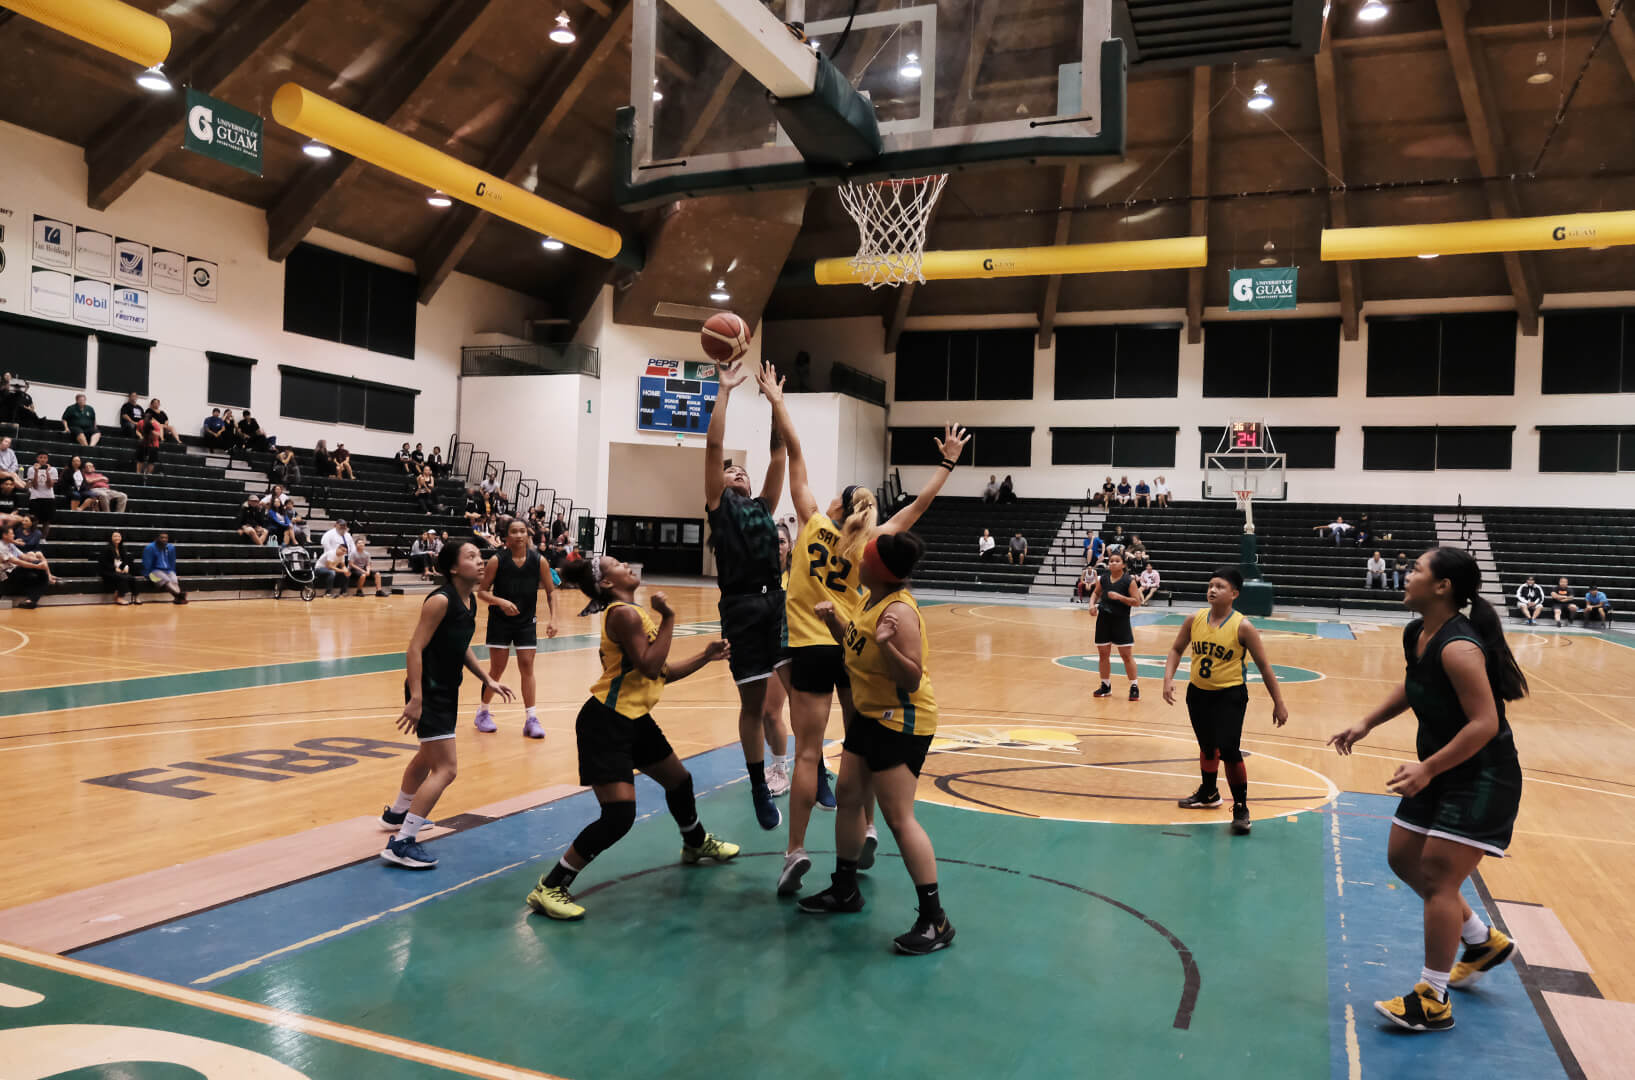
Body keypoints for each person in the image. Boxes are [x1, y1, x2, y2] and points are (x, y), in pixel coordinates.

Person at [761, 362, 965, 896]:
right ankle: (869, 827)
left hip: (808, 645)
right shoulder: (873, 542)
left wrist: (777, 401)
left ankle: (795, 850)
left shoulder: (812, 521)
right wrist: (947, 462)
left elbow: (796, 454)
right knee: (860, 744)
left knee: (809, 753)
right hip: (852, 648)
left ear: (835, 505)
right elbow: (921, 505)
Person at [1328, 547, 1527, 1033]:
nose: (1406, 574)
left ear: (1442, 587)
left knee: (1439, 876)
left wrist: (1428, 768)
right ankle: (1481, 941)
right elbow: (1413, 684)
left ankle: (1431, 998)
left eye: (1415, 569)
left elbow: (1485, 723)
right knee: (1403, 857)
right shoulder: (1417, 632)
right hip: (1440, 772)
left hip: (1481, 775)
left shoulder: (1460, 648)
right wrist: (1367, 722)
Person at [524, 554, 736, 918]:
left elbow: (660, 672)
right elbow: (651, 664)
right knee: (619, 815)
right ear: (607, 583)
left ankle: (695, 843)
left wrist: (704, 655)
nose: (626, 565)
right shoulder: (623, 614)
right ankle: (550, 886)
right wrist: (670, 617)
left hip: (632, 718)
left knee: (679, 781)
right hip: (605, 723)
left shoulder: (632, 614)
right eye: (617, 565)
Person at [798, 532, 954, 955]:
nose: (858, 562)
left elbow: (910, 676)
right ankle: (845, 888)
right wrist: (835, 622)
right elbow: (859, 640)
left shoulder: (899, 613)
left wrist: (887, 646)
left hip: (901, 721)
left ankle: (935, 919)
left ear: (879, 569)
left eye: (864, 558)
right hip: (871, 716)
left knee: (899, 818)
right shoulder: (871, 601)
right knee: (849, 796)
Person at [374, 541, 515, 869]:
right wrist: (417, 698)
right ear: (453, 568)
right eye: (471, 557)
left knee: (427, 756)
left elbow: (460, 646)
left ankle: (397, 814)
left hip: (446, 689)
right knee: (446, 768)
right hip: (430, 691)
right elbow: (414, 648)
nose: (480, 563)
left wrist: (487, 678)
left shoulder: (469, 602)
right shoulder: (440, 600)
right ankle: (403, 843)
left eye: (481, 558)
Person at [703, 359, 789, 831]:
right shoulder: (720, 509)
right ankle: (759, 783)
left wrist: (776, 403)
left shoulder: (763, 505)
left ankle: (811, 765)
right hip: (739, 607)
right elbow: (715, 446)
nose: (736, 471)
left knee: (800, 690)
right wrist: (725, 392)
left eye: (741, 470)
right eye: (729, 470)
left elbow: (779, 457)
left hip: (775, 602)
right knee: (752, 706)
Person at [1163, 568, 1290, 834]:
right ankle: (1209, 793)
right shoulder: (1193, 619)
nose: (1212, 590)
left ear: (1234, 594)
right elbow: (1176, 649)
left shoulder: (1242, 626)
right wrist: (1168, 678)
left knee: (1229, 750)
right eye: (1210, 585)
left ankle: (1241, 807)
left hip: (1229, 695)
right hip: (1198, 693)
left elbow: (1265, 667)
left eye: (1219, 586)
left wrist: (1278, 702)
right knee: (1207, 747)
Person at [473, 519, 559, 739]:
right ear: (507, 537)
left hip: (526, 622)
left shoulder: (539, 561)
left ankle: (531, 719)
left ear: (527, 534)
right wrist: (500, 602)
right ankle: (482, 712)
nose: (519, 535)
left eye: (522, 531)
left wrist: (554, 619)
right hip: (500, 622)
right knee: (497, 669)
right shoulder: (496, 560)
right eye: (514, 532)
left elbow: (551, 592)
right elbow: (482, 592)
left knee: (527, 667)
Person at [1089, 551, 1142, 700]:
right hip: (1104, 620)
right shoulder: (1104, 578)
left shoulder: (1128, 581)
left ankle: (1134, 686)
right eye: (1111, 561)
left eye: (1117, 561)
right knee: (1103, 653)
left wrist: (1120, 597)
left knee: (1126, 655)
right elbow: (1095, 593)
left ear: (1123, 564)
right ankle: (1105, 685)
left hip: (1121, 621)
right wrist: (1091, 605)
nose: (1113, 563)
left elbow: (1137, 601)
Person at [0, 524, 56, 607]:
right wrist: (37, 566)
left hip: (15, 571)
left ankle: (31, 601)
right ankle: (33, 598)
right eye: (11, 533)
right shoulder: (1, 546)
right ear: (4, 535)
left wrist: (39, 561)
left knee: (42, 577)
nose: (14, 535)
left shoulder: (10, 544)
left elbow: (23, 557)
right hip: (6, 576)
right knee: (41, 572)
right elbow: (18, 562)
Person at [141, 532, 186, 603]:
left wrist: (174, 573)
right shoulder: (149, 548)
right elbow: (147, 564)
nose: (164, 539)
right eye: (162, 537)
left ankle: (178, 598)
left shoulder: (171, 548)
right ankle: (180, 595)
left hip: (168, 570)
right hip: (153, 572)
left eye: (166, 538)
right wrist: (148, 576)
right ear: (157, 539)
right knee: (167, 580)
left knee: (174, 580)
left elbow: (172, 562)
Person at [99, 530, 141, 604]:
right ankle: (119, 598)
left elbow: (123, 561)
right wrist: (115, 569)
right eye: (115, 536)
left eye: (119, 536)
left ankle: (136, 596)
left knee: (132, 578)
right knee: (122, 577)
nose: (117, 538)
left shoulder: (122, 548)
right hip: (107, 571)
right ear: (111, 538)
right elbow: (103, 563)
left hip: (118, 570)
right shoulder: (106, 548)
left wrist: (125, 567)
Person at [24, 451, 57, 534]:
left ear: (47, 459)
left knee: (47, 521)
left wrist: (46, 472)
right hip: (35, 497)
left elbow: (50, 485)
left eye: (45, 457)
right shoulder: (31, 469)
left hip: (49, 497)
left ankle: (43, 539)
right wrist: (36, 472)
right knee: (34, 520)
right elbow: (34, 486)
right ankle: (32, 537)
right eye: (40, 457)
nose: (42, 459)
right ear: (37, 458)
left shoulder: (53, 469)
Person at [349, 532, 389, 597]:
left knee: (377, 574)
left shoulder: (367, 554)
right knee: (363, 575)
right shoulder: (353, 553)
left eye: (362, 543)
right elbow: (351, 564)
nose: (361, 544)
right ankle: (359, 591)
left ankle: (379, 591)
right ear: (356, 545)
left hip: (364, 569)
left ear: (364, 544)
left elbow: (368, 564)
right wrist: (363, 571)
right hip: (354, 569)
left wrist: (367, 571)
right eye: (359, 543)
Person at [134, 410, 164, 476]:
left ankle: (148, 474)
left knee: (151, 461)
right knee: (140, 459)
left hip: (153, 444)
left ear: (151, 420)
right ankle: (137, 474)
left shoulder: (155, 425)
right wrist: (140, 436)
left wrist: (151, 431)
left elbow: (158, 435)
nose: (145, 421)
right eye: (145, 419)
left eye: (147, 419)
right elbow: (137, 430)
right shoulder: (141, 422)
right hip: (143, 442)